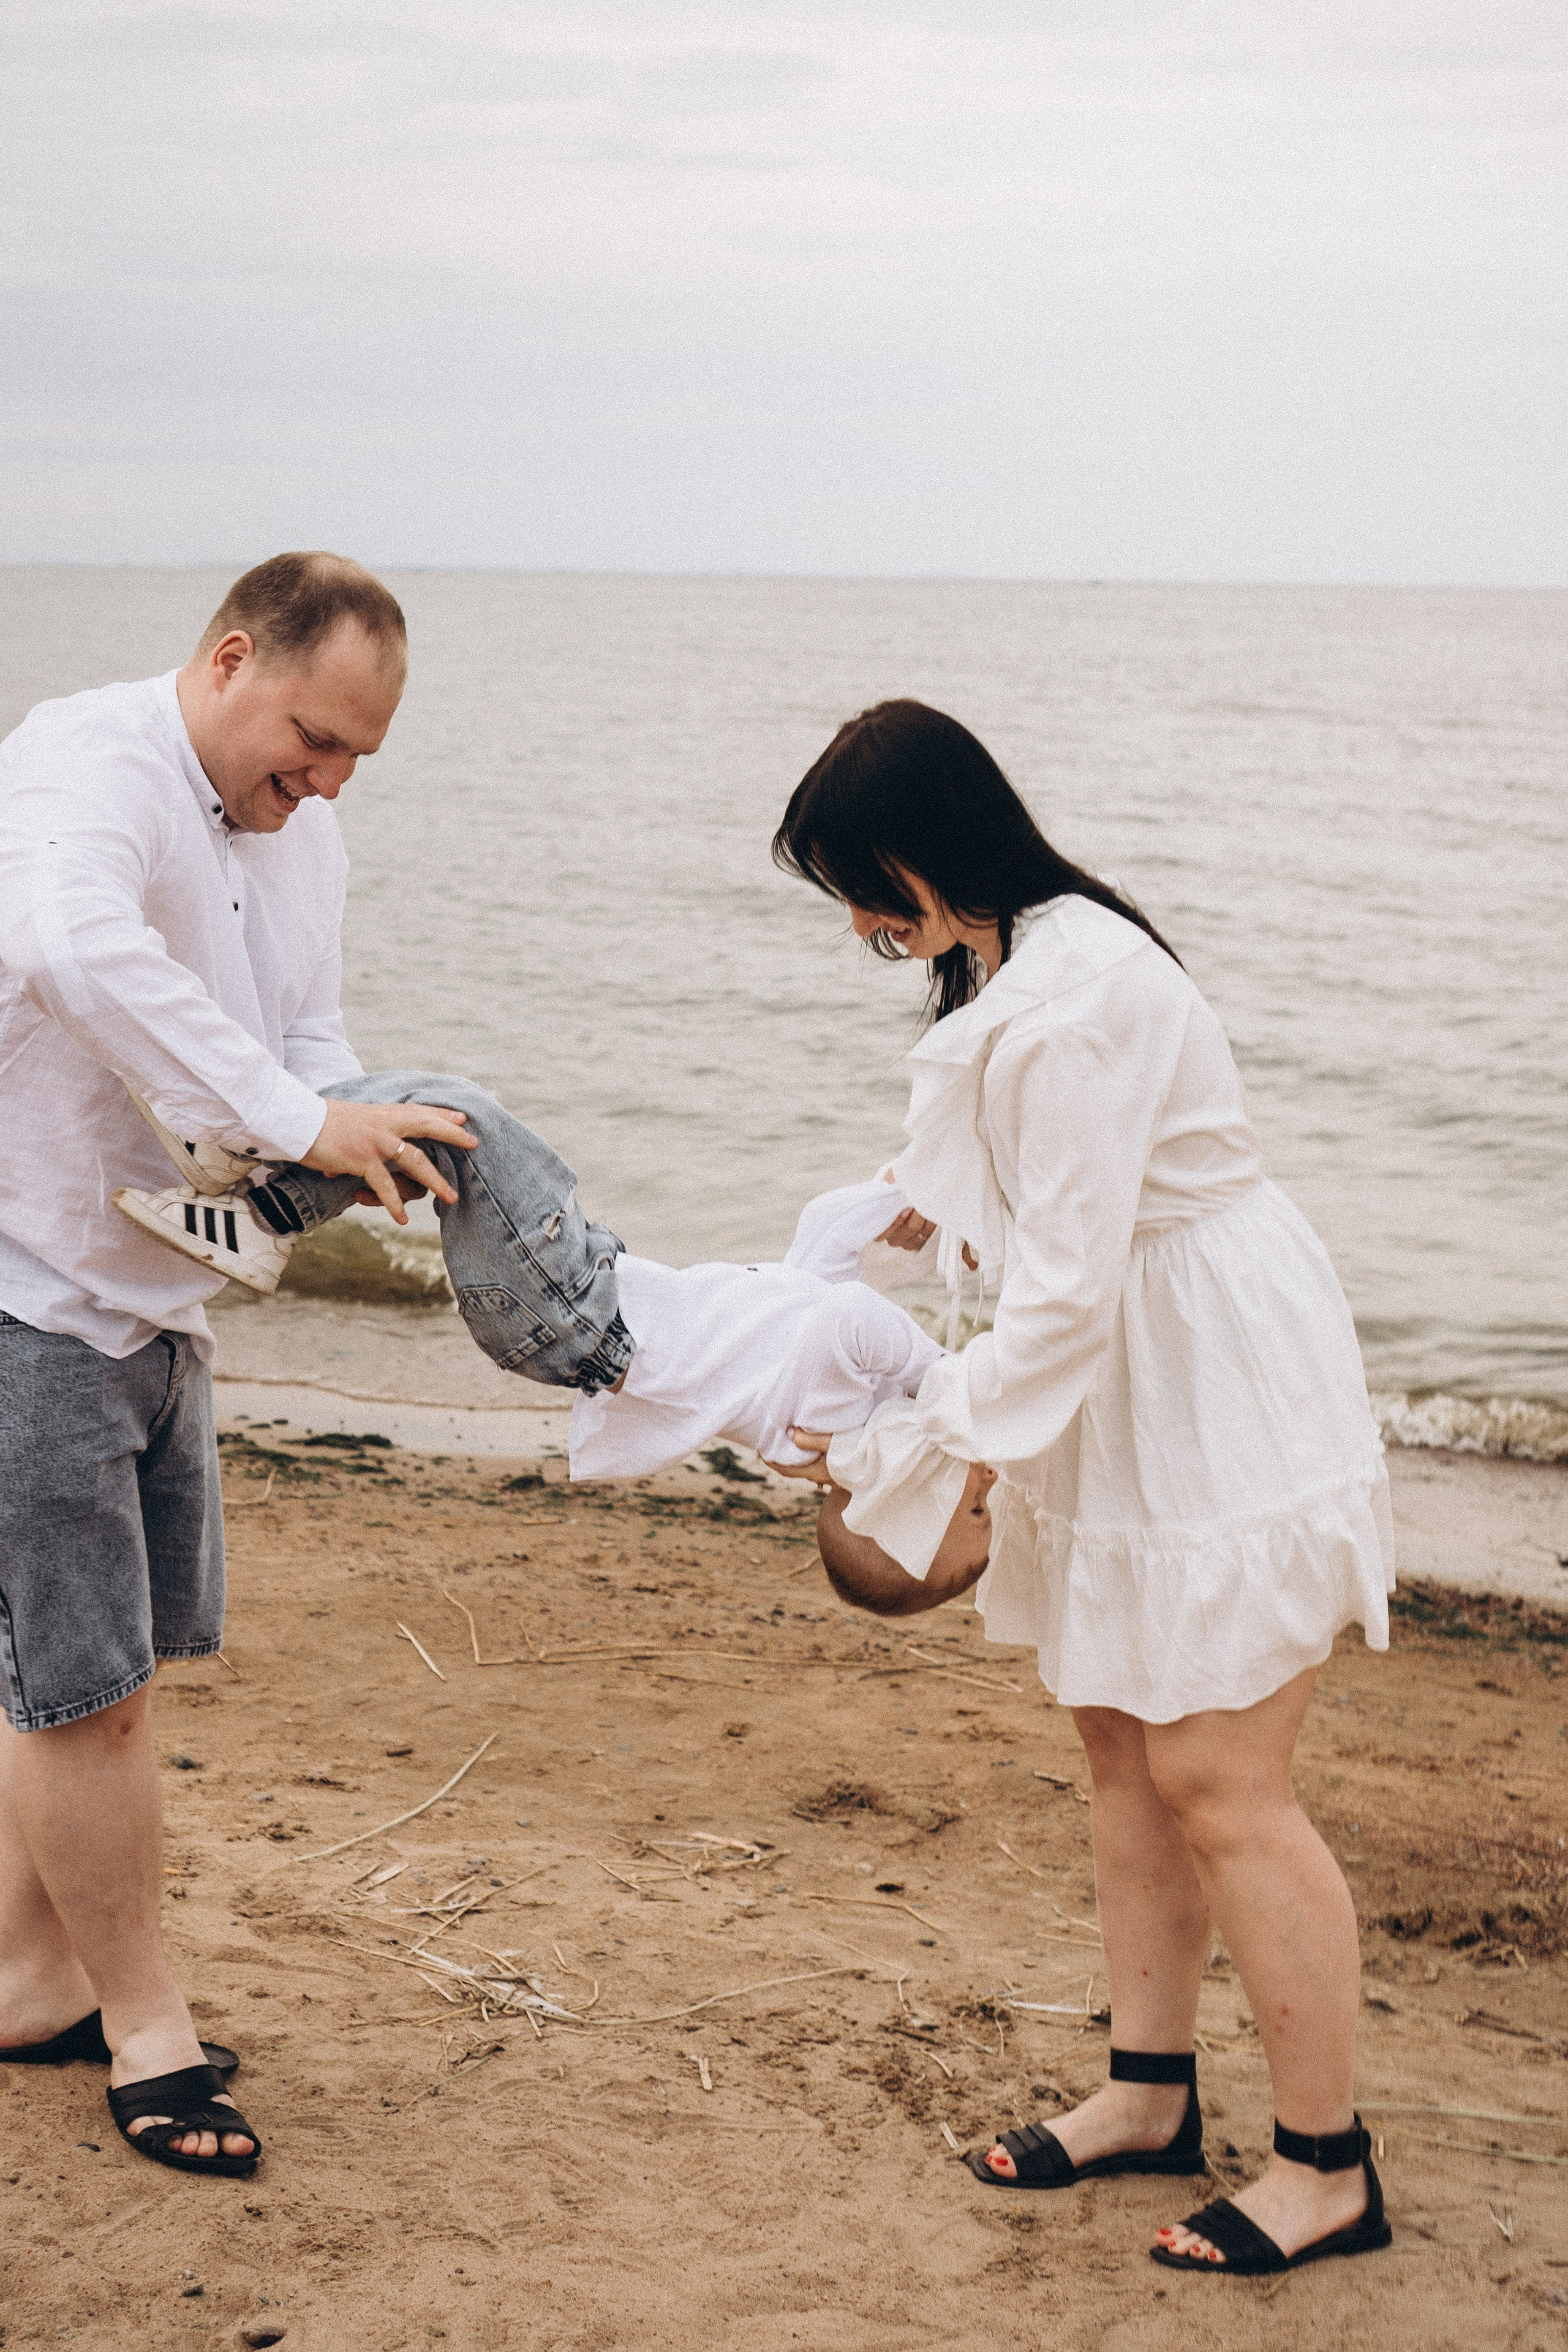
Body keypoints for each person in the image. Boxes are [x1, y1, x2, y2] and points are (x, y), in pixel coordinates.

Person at [0, 554, 618, 2178]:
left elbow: (310, 1050)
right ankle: (148, 2038)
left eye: (357, 759)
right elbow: (68, 950)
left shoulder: (305, 834)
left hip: (160, 1289)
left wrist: (365, 1146)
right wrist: (295, 1123)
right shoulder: (86, 763)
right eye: (313, 740)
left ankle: (21, 1979)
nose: (329, 785)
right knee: (90, 1695)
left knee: (86, 1672)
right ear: (228, 663)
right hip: (20, 1282)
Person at [769, 699, 1396, 2278]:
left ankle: (1328, 2167)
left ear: (939, 841)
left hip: (1194, 1366)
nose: (860, 920)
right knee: (1122, 1744)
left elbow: (1064, 1296)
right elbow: (1041, 1186)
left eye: (866, 883)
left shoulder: (1076, 991)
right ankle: (1148, 2092)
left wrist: (936, 1444)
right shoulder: (1001, 951)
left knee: (1225, 1782)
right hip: (1121, 1367)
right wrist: (921, 1196)